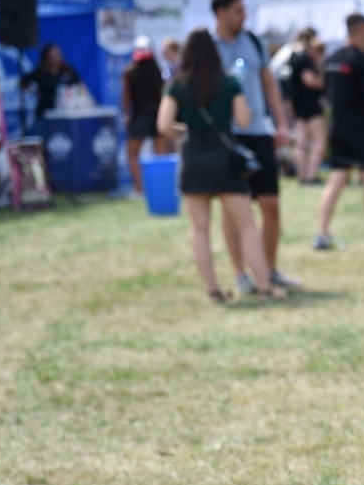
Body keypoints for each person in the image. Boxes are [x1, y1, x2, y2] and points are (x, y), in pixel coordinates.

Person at [156, 29, 286, 304]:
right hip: (224, 159)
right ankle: (265, 286)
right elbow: (243, 117)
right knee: (247, 226)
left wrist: (186, 128)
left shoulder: (177, 85)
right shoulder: (228, 82)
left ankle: (213, 290)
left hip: (193, 157)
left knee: (200, 228)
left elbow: (163, 126)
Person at [211, 0, 300, 294]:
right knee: (232, 209)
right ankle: (240, 274)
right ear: (220, 12)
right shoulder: (209, 47)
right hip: (227, 135)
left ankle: (269, 269)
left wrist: (281, 124)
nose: (243, 15)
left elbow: (269, 85)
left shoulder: (253, 42)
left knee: (270, 205)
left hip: (259, 132)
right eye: (237, 10)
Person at [313, 14, 364, 250]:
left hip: (338, 124)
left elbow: (326, 91)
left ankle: (322, 233)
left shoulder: (331, 59)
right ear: (363, 30)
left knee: (337, 178)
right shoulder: (362, 61)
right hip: (361, 126)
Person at [122, 36, 168, 195]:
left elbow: (126, 97)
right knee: (161, 156)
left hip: (142, 116)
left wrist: (126, 114)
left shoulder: (130, 71)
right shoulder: (158, 71)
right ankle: (162, 188)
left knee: (133, 153)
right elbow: (165, 96)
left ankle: (139, 189)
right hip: (156, 116)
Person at [285, 30, 326, 185]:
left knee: (302, 140)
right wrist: (324, 83)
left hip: (298, 105)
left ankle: (302, 175)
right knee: (319, 139)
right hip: (310, 105)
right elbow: (309, 80)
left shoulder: (293, 56)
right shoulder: (304, 58)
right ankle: (311, 175)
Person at [22, 43, 80, 129]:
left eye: (58, 55)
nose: (56, 58)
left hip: (65, 115)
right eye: (52, 56)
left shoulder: (67, 70)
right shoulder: (40, 73)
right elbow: (23, 82)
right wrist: (33, 90)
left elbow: (79, 85)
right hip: (45, 115)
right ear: (46, 58)